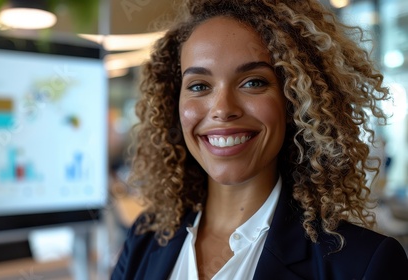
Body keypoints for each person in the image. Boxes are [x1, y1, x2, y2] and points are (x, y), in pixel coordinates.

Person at [111, 0, 408, 279]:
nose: (223, 109)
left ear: (295, 101)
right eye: (200, 85)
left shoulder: (362, 265)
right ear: (174, 104)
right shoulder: (144, 238)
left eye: (253, 82)